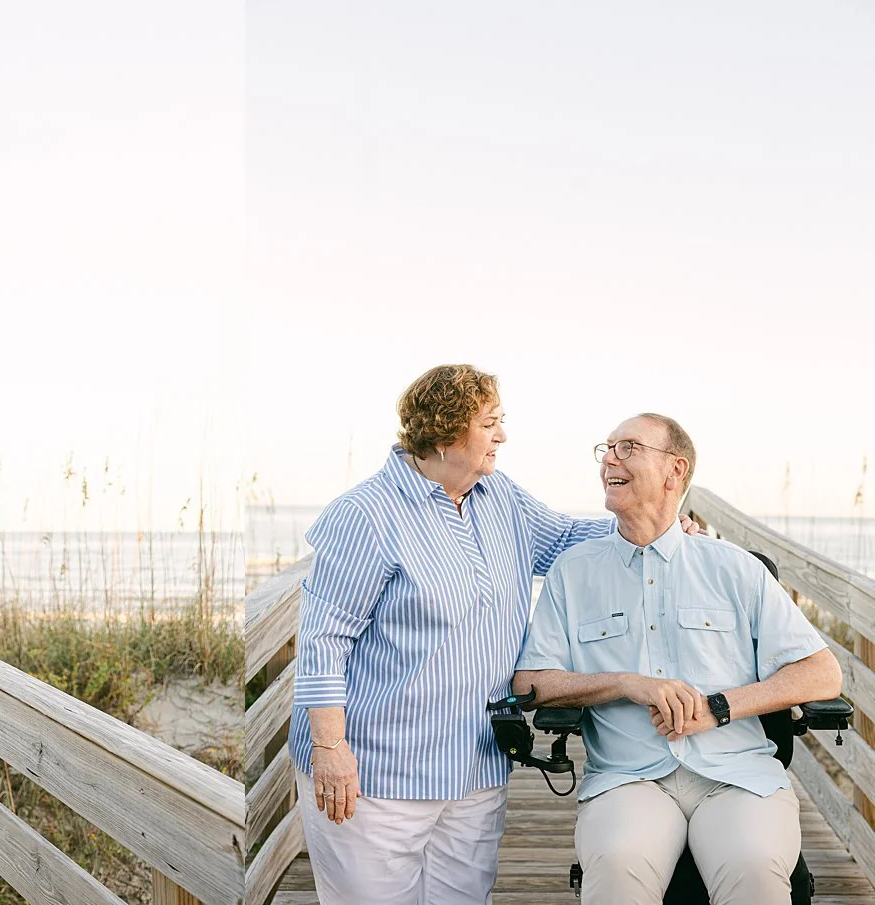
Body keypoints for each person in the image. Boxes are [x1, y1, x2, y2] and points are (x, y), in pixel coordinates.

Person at [290, 363, 616, 905]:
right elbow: (324, 640)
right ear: (446, 433)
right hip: (376, 776)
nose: (503, 436)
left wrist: (653, 526)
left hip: (474, 768)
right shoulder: (366, 514)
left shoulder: (499, 497)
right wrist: (331, 747)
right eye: (490, 424)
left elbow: (567, 541)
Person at [514, 413, 841, 905]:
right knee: (618, 863)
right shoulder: (573, 572)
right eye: (606, 448)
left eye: (628, 447)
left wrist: (720, 707)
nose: (609, 458)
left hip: (736, 774)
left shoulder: (736, 569)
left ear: (675, 471)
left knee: (753, 864)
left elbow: (823, 672)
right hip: (629, 777)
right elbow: (530, 683)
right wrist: (627, 683)